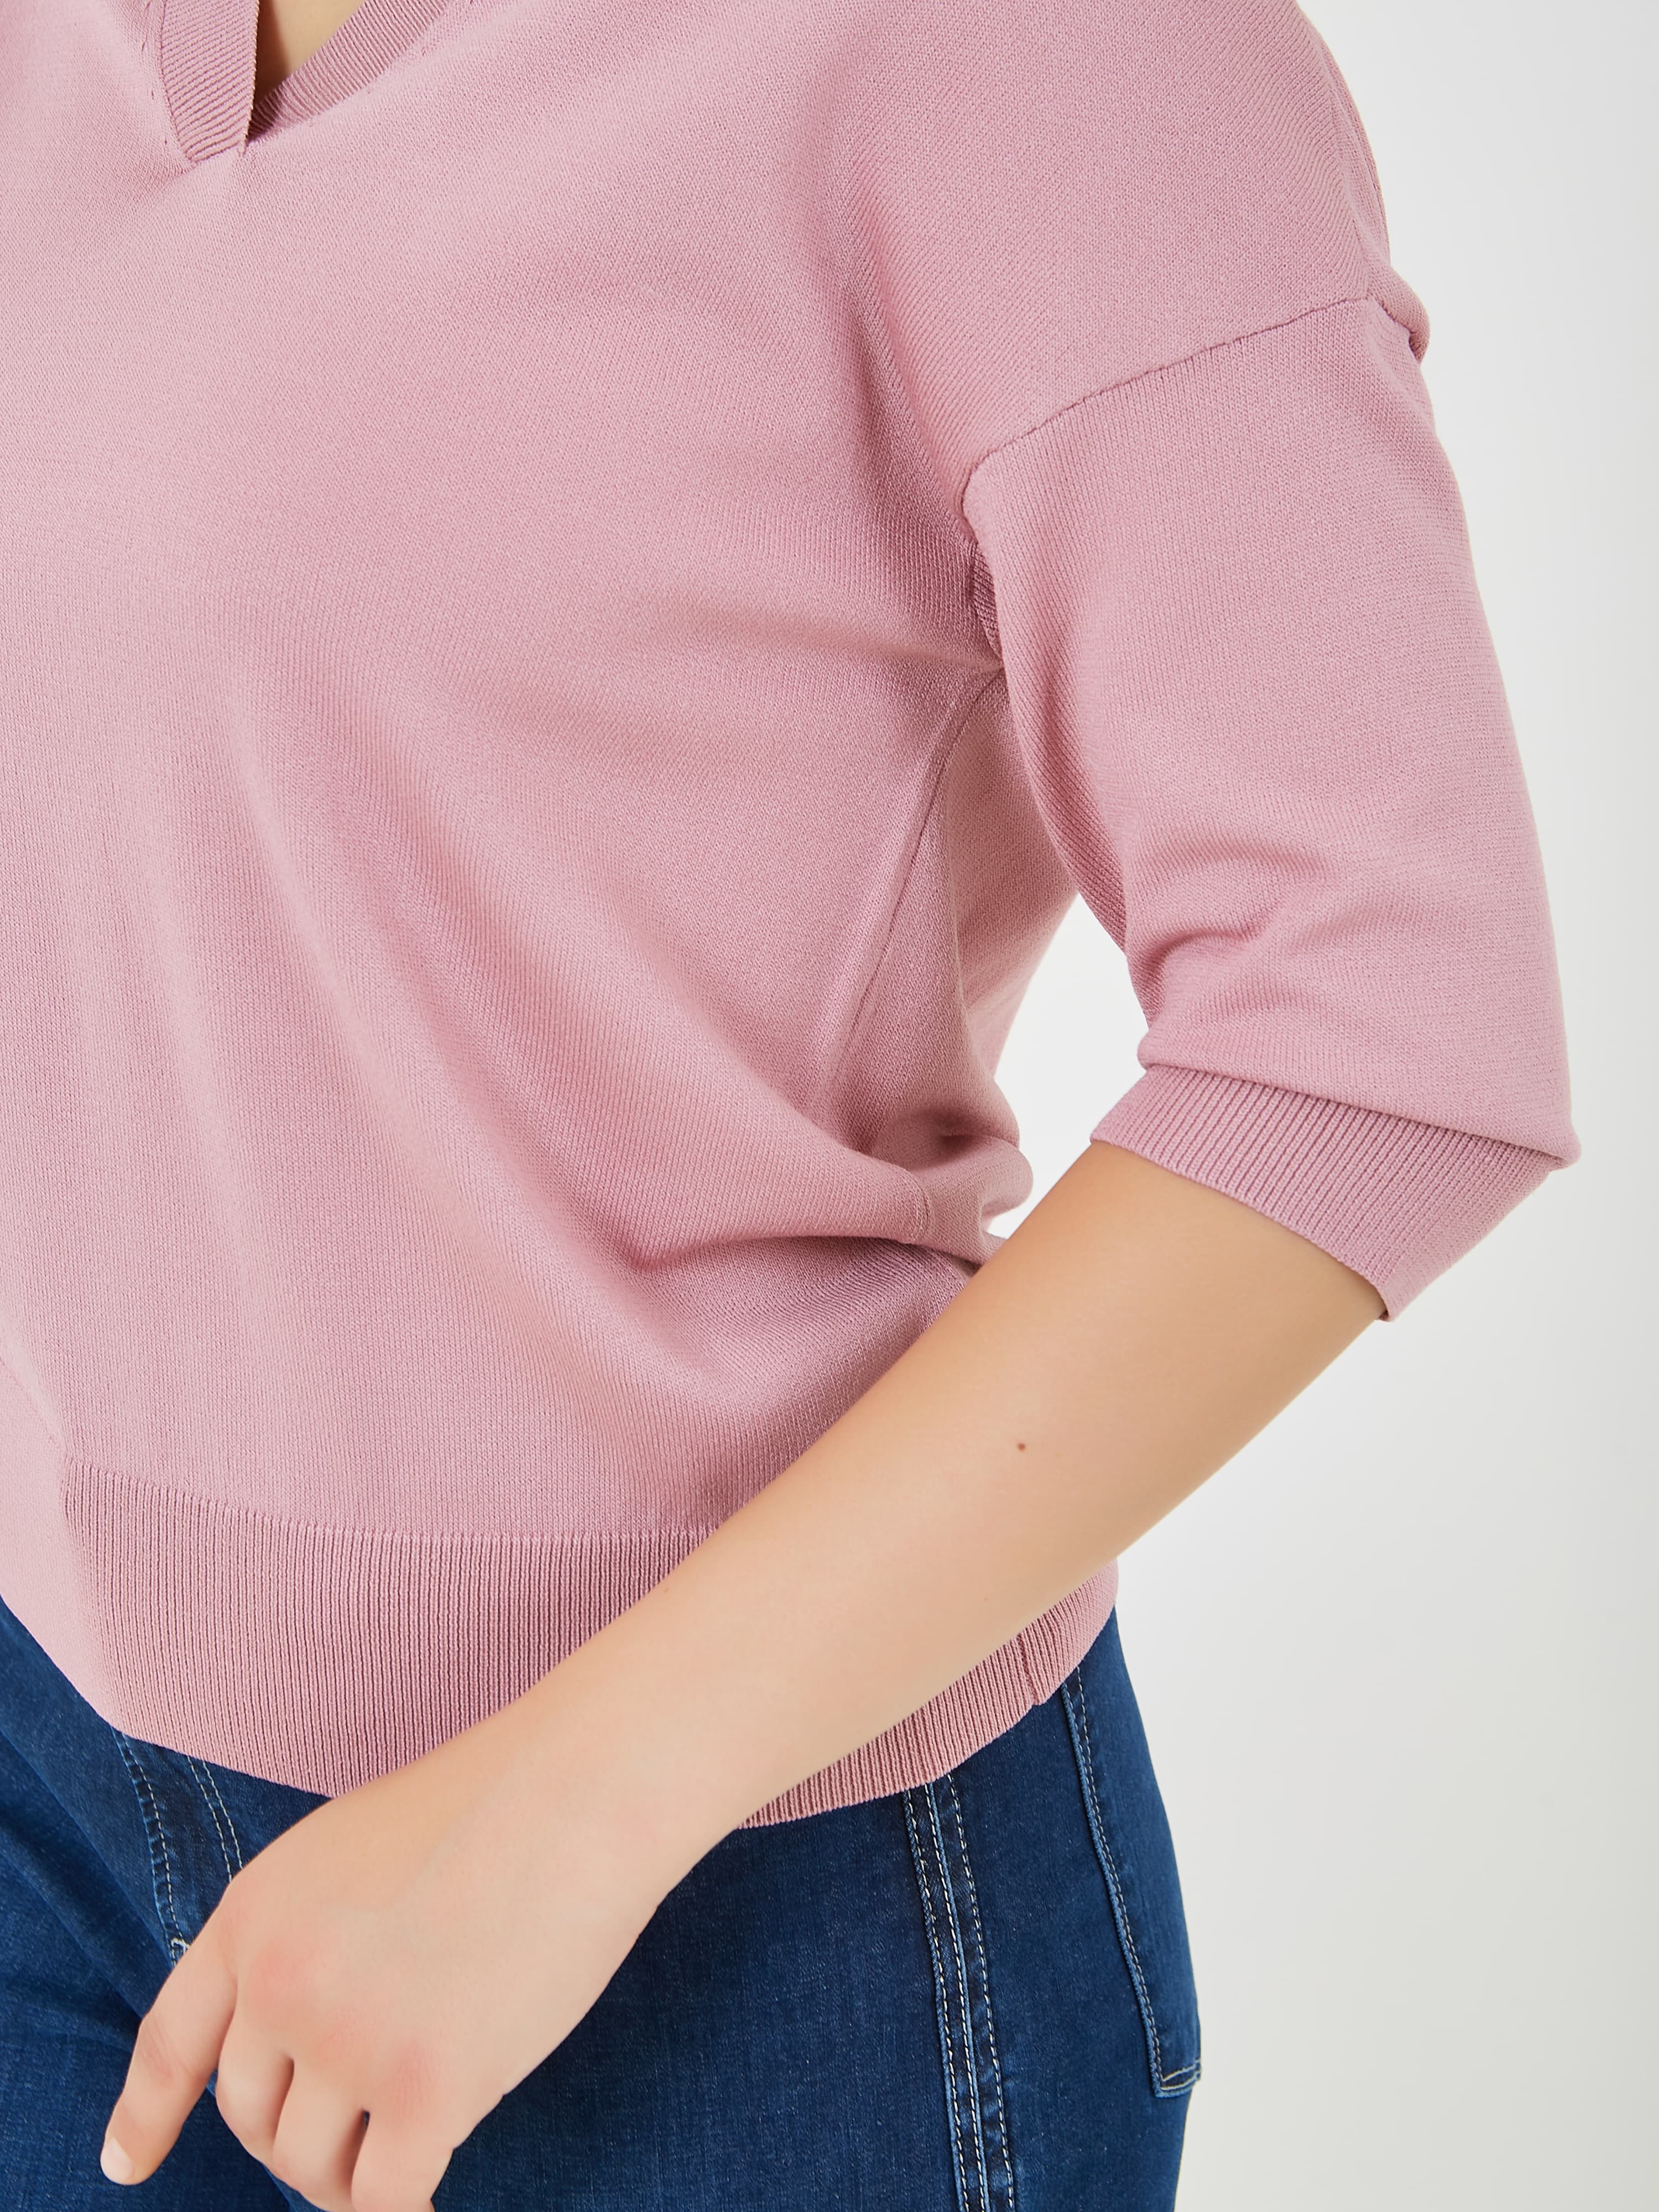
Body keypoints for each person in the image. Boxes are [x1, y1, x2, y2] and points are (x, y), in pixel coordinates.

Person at [0, 0, 1577, 2205]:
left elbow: (1383, 1028)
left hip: (742, 1915)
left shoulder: (1042, 54)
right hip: (54, 1784)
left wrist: (567, 1812)